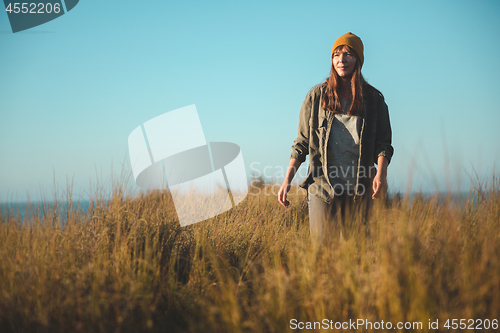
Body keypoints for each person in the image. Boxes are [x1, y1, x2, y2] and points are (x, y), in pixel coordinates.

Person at [277, 32, 394, 244]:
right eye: (336, 54)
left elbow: (383, 144)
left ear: (358, 59)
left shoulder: (374, 100)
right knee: (322, 253)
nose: (342, 60)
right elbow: (302, 142)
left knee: (356, 255)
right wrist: (287, 180)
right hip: (323, 188)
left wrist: (381, 175)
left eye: (348, 54)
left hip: (360, 187)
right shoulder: (316, 97)